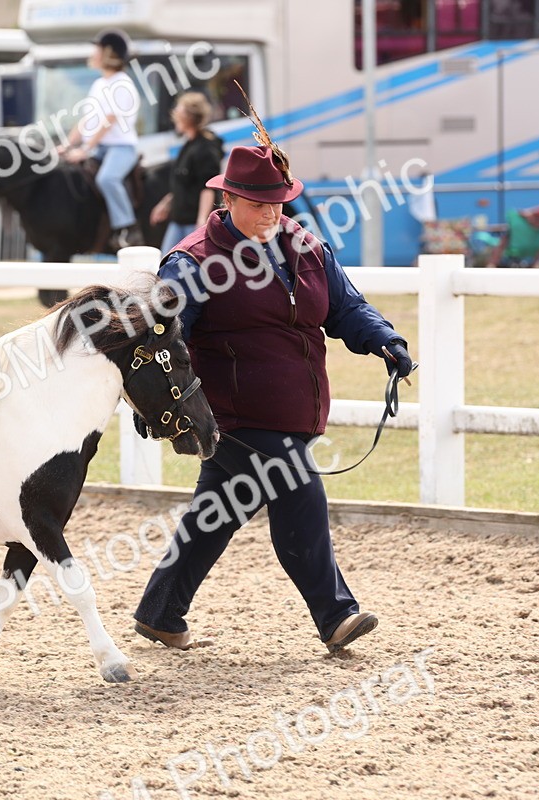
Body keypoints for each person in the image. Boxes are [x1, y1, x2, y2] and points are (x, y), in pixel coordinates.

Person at [131, 139, 414, 654]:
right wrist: (159, 407)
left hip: (294, 410)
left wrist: (385, 340)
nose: (271, 213)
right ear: (229, 200)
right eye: (259, 203)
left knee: (215, 513)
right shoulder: (193, 262)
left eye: (279, 202)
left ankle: (160, 612)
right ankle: (335, 615)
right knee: (300, 495)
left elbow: (345, 305)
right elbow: (160, 338)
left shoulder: (305, 245)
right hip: (234, 416)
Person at [57, 29, 143, 249]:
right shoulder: (99, 84)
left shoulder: (122, 83)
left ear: (108, 53)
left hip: (121, 148)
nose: (93, 54)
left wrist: (85, 149)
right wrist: (67, 145)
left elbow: (108, 120)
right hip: (99, 146)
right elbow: (87, 120)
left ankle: (127, 228)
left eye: (97, 49)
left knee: (107, 179)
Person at [150, 92, 224, 253]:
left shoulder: (206, 147)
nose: (175, 117)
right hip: (179, 219)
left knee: (192, 262)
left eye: (179, 113)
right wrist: (165, 205)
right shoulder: (189, 145)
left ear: (190, 117)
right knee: (166, 259)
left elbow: (207, 187)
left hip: (193, 221)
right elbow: (182, 183)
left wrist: (201, 220)